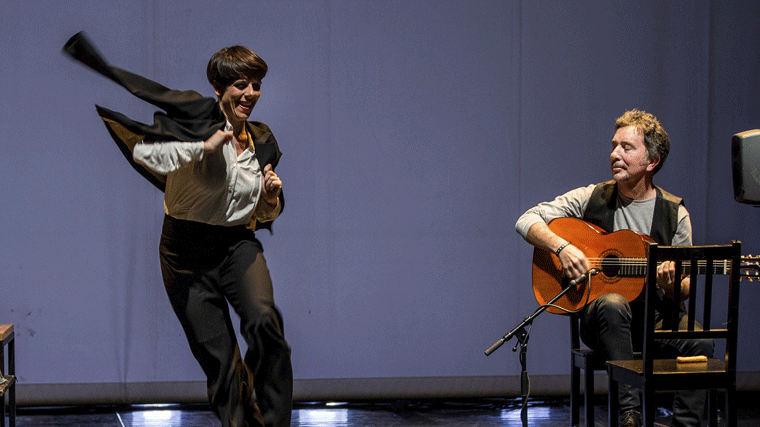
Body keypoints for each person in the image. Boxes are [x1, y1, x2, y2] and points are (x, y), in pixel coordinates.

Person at [515, 109, 713, 427]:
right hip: (603, 320)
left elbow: (683, 290)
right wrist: (562, 247)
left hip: (654, 321)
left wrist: (669, 284)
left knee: (701, 341)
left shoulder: (675, 213)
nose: (614, 154)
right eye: (614, 145)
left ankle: (684, 425)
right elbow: (526, 220)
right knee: (612, 302)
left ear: (652, 161)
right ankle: (629, 415)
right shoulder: (592, 197)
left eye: (626, 147)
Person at [132, 46, 292, 427]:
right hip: (184, 254)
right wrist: (200, 148)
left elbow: (263, 210)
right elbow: (145, 154)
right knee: (222, 363)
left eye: (256, 85)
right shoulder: (196, 125)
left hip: (236, 245)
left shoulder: (260, 138)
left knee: (265, 323)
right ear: (218, 87)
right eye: (241, 85)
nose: (251, 93)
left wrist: (269, 198)